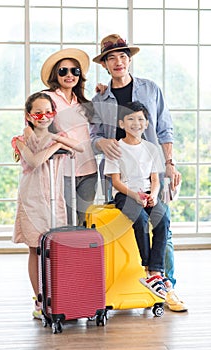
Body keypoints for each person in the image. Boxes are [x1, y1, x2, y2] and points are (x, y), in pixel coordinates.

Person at [90, 33, 187, 312]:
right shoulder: (100, 99)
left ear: (129, 60)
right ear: (105, 65)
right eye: (111, 58)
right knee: (136, 222)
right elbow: (93, 135)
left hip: (153, 171)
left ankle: (167, 289)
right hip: (122, 180)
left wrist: (169, 163)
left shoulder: (150, 89)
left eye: (123, 56)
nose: (118, 62)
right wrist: (101, 142)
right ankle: (142, 281)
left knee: (163, 228)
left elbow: (165, 129)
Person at [11, 92, 83, 319]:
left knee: (56, 248)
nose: (43, 117)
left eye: (48, 112)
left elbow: (79, 147)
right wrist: (56, 145)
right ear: (29, 116)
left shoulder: (58, 135)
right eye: (37, 113)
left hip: (54, 197)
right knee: (35, 247)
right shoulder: (21, 139)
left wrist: (58, 139)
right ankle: (39, 299)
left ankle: (59, 296)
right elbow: (34, 160)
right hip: (32, 198)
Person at [104, 101, 171, 298]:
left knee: (163, 218)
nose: (136, 123)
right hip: (125, 195)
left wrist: (152, 195)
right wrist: (135, 195)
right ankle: (148, 268)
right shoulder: (115, 147)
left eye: (140, 119)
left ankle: (156, 272)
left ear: (147, 124)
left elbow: (155, 180)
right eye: (130, 119)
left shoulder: (151, 148)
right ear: (121, 124)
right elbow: (115, 182)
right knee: (140, 219)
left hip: (148, 193)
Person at [40, 48, 98, 225]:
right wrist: (60, 141)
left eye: (75, 71)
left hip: (89, 168)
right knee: (66, 220)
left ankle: (80, 254)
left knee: (83, 221)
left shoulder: (84, 102)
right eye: (63, 71)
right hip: (64, 169)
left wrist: (102, 91)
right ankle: (64, 253)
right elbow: (38, 129)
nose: (69, 75)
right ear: (55, 74)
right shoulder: (47, 98)